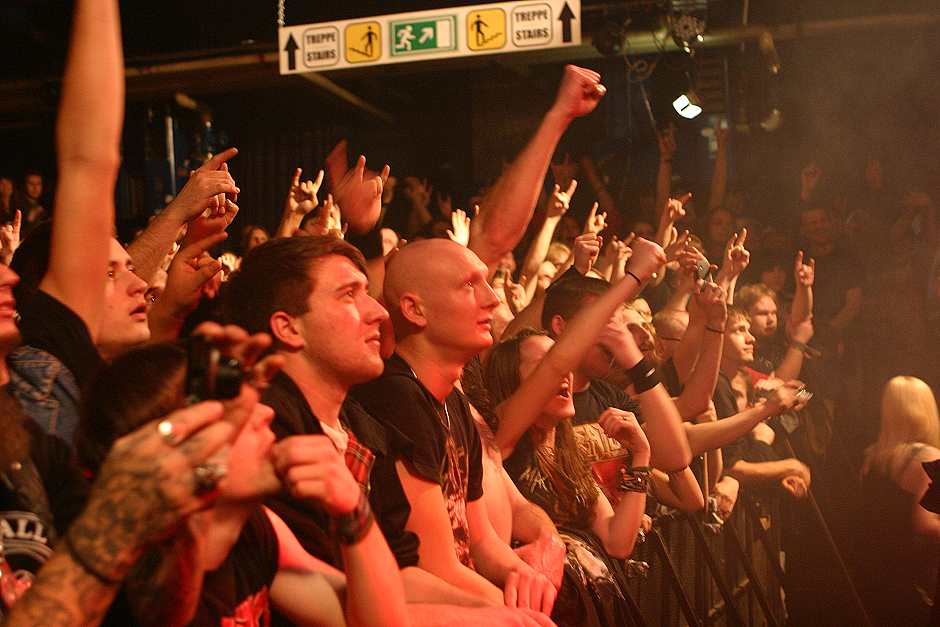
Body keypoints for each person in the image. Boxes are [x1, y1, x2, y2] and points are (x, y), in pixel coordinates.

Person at [225, 236, 556, 626]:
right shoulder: (262, 430)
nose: (379, 312)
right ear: (289, 327)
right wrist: (495, 618)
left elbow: (399, 572)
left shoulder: (365, 431)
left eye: (368, 292)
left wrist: (504, 611)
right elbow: (341, 603)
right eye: (349, 295)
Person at [75, 327, 409, 627]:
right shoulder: (129, 580)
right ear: (175, 444)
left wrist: (353, 508)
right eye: (233, 410)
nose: (266, 412)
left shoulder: (255, 526)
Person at [353, 238, 557, 614]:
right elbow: (435, 566)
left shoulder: (455, 403)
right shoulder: (398, 397)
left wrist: (525, 576)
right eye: (469, 285)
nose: (492, 299)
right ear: (414, 310)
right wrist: (515, 613)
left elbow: (481, 540)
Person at [857, 376, 940, 624]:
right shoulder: (930, 458)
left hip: (879, 569)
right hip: (916, 575)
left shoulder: (874, 456)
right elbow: (924, 523)